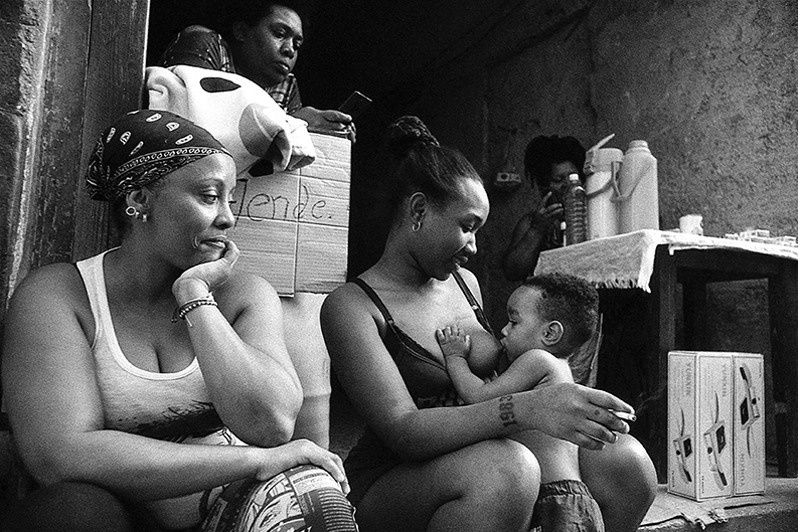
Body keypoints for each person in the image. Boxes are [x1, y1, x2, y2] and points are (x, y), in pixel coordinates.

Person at [1, 110, 356, 531]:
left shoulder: (243, 294)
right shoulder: (59, 295)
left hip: (228, 509)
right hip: (121, 515)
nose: (227, 218)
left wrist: (194, 298)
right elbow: (61, 455)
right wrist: (254, 460)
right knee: (72, 512)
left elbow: (273, 424)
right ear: (139, 200)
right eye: (209, 196)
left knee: (315, 499)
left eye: (230, 199)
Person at [320, 116, 657, 532]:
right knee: (507, 471)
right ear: (419, 210)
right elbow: (402, 430)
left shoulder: (466, 284)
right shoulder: (351, 305)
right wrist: (528, 409)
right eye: (467, 227)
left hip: (484, 448)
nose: (475, 247)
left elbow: (503, 374)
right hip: (396, 480)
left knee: (628, 463)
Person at [437, 273, 610, 531]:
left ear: (550, 333)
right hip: (575, 502)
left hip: (552, 501)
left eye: (514, 321)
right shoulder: (562, 368)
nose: (504, 330)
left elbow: (479, 398)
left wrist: (455, 358)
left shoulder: (538, 360)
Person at [158, 1, 356, 142]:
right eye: (279, 34)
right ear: (241, 31)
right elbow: (187, 123)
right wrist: (296, 123)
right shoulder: (205, 43)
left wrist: (326, 135)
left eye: (297, 44)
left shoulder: (285, 85)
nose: (289, 50)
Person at [503, 135, 587, 281]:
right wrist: (537, 230)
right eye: (558, 180)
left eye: (572, 177)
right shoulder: (532, 222)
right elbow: (512, 272)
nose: (568, 185)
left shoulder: (594, 214)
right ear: (544, 187)